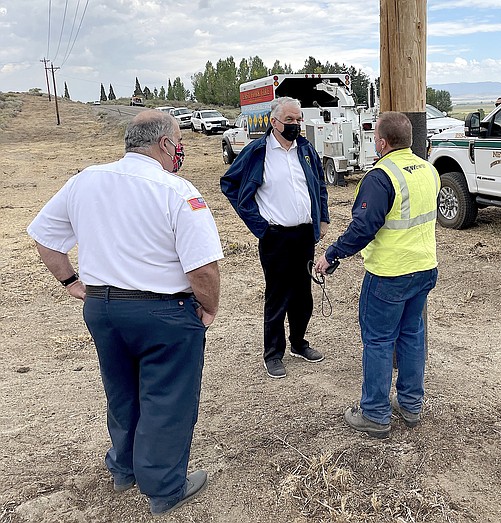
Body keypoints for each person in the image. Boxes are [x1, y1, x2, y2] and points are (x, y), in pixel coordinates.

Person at [27, 110, 223, 515]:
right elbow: (203, 266)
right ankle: (165, 486)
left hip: (103, 308)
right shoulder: (177, 190)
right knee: (167, 397)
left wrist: (71, 282)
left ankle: (123, 468)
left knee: (121, 391)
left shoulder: (85, 180)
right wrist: (209, 306)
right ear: (166, 144)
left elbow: (44, 238)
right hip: (164, 312)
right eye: (179, 139)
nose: (180, 148)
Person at [314, 111, 440, 438]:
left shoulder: (381, 176)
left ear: (381, 142)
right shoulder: (429, 170)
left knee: (379, 340)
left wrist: (331, 255)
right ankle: (411, 405)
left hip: (389, 274)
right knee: (411, 335)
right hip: (424, 268)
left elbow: (362, 228)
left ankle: (374, 413)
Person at [220, 97, 330, 379]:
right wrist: (259, 224)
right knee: (277, 295)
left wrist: (323, 218)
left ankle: (298, 343)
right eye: (289, 120)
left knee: (303, 295)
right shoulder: (257, 151)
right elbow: (229, 184)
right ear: (274, 122)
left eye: (298, 119)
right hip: (275, 236)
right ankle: (273, 353)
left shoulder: (305, 150)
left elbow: (318, 184)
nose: (295, 125)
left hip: (304, 233)